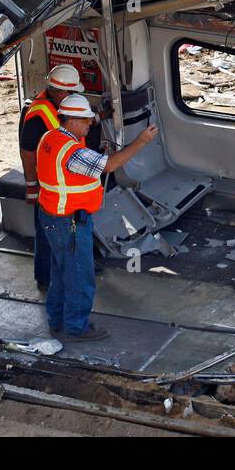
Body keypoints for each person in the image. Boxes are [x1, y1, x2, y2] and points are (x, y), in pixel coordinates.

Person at [35, 94, 159, 341]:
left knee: (61, 273)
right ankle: (76, 328)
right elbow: (109, 166)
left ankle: (57, 321)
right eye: (85, 121)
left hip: (51, 216)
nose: (90, 124)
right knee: (80, 276)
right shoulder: (72, 153)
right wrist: (141, 141)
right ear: (70, 122)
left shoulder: (51, 138)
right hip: (68, 222)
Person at [18, 64, 84, 291]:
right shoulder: (39, 115)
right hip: (48, 184)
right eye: (71, 92)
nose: (74, 96)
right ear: (58, 92)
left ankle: (74, 266)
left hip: (65, 180)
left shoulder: (58, 105)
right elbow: (27, 151)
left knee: (72, 227)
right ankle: (45, 277)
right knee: (47, 232)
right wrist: (31, 186)